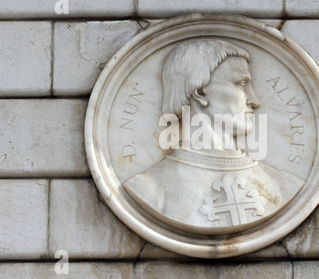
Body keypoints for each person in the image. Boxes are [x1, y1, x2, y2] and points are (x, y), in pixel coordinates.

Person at [123, 40, 304, 234]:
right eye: (241, 84)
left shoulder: (283, 185)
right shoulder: (149, 190)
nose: (254, 100)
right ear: (199, 91)